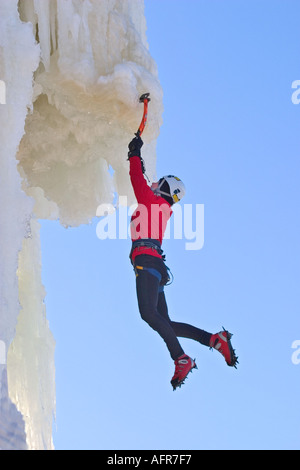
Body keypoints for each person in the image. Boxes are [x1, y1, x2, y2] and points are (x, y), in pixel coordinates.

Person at [127, 135, 238, 390]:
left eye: (159, 182)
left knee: (148, 314)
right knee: (165, 322)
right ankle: (213, 339)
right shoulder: (160, 207)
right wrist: (138, 158)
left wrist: (134, 154)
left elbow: (137, 181)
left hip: (147, 261)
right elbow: (144, 183)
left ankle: (181, 358)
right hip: (155, 266)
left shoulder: (153, 202)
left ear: (164, 188)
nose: (154, 184)